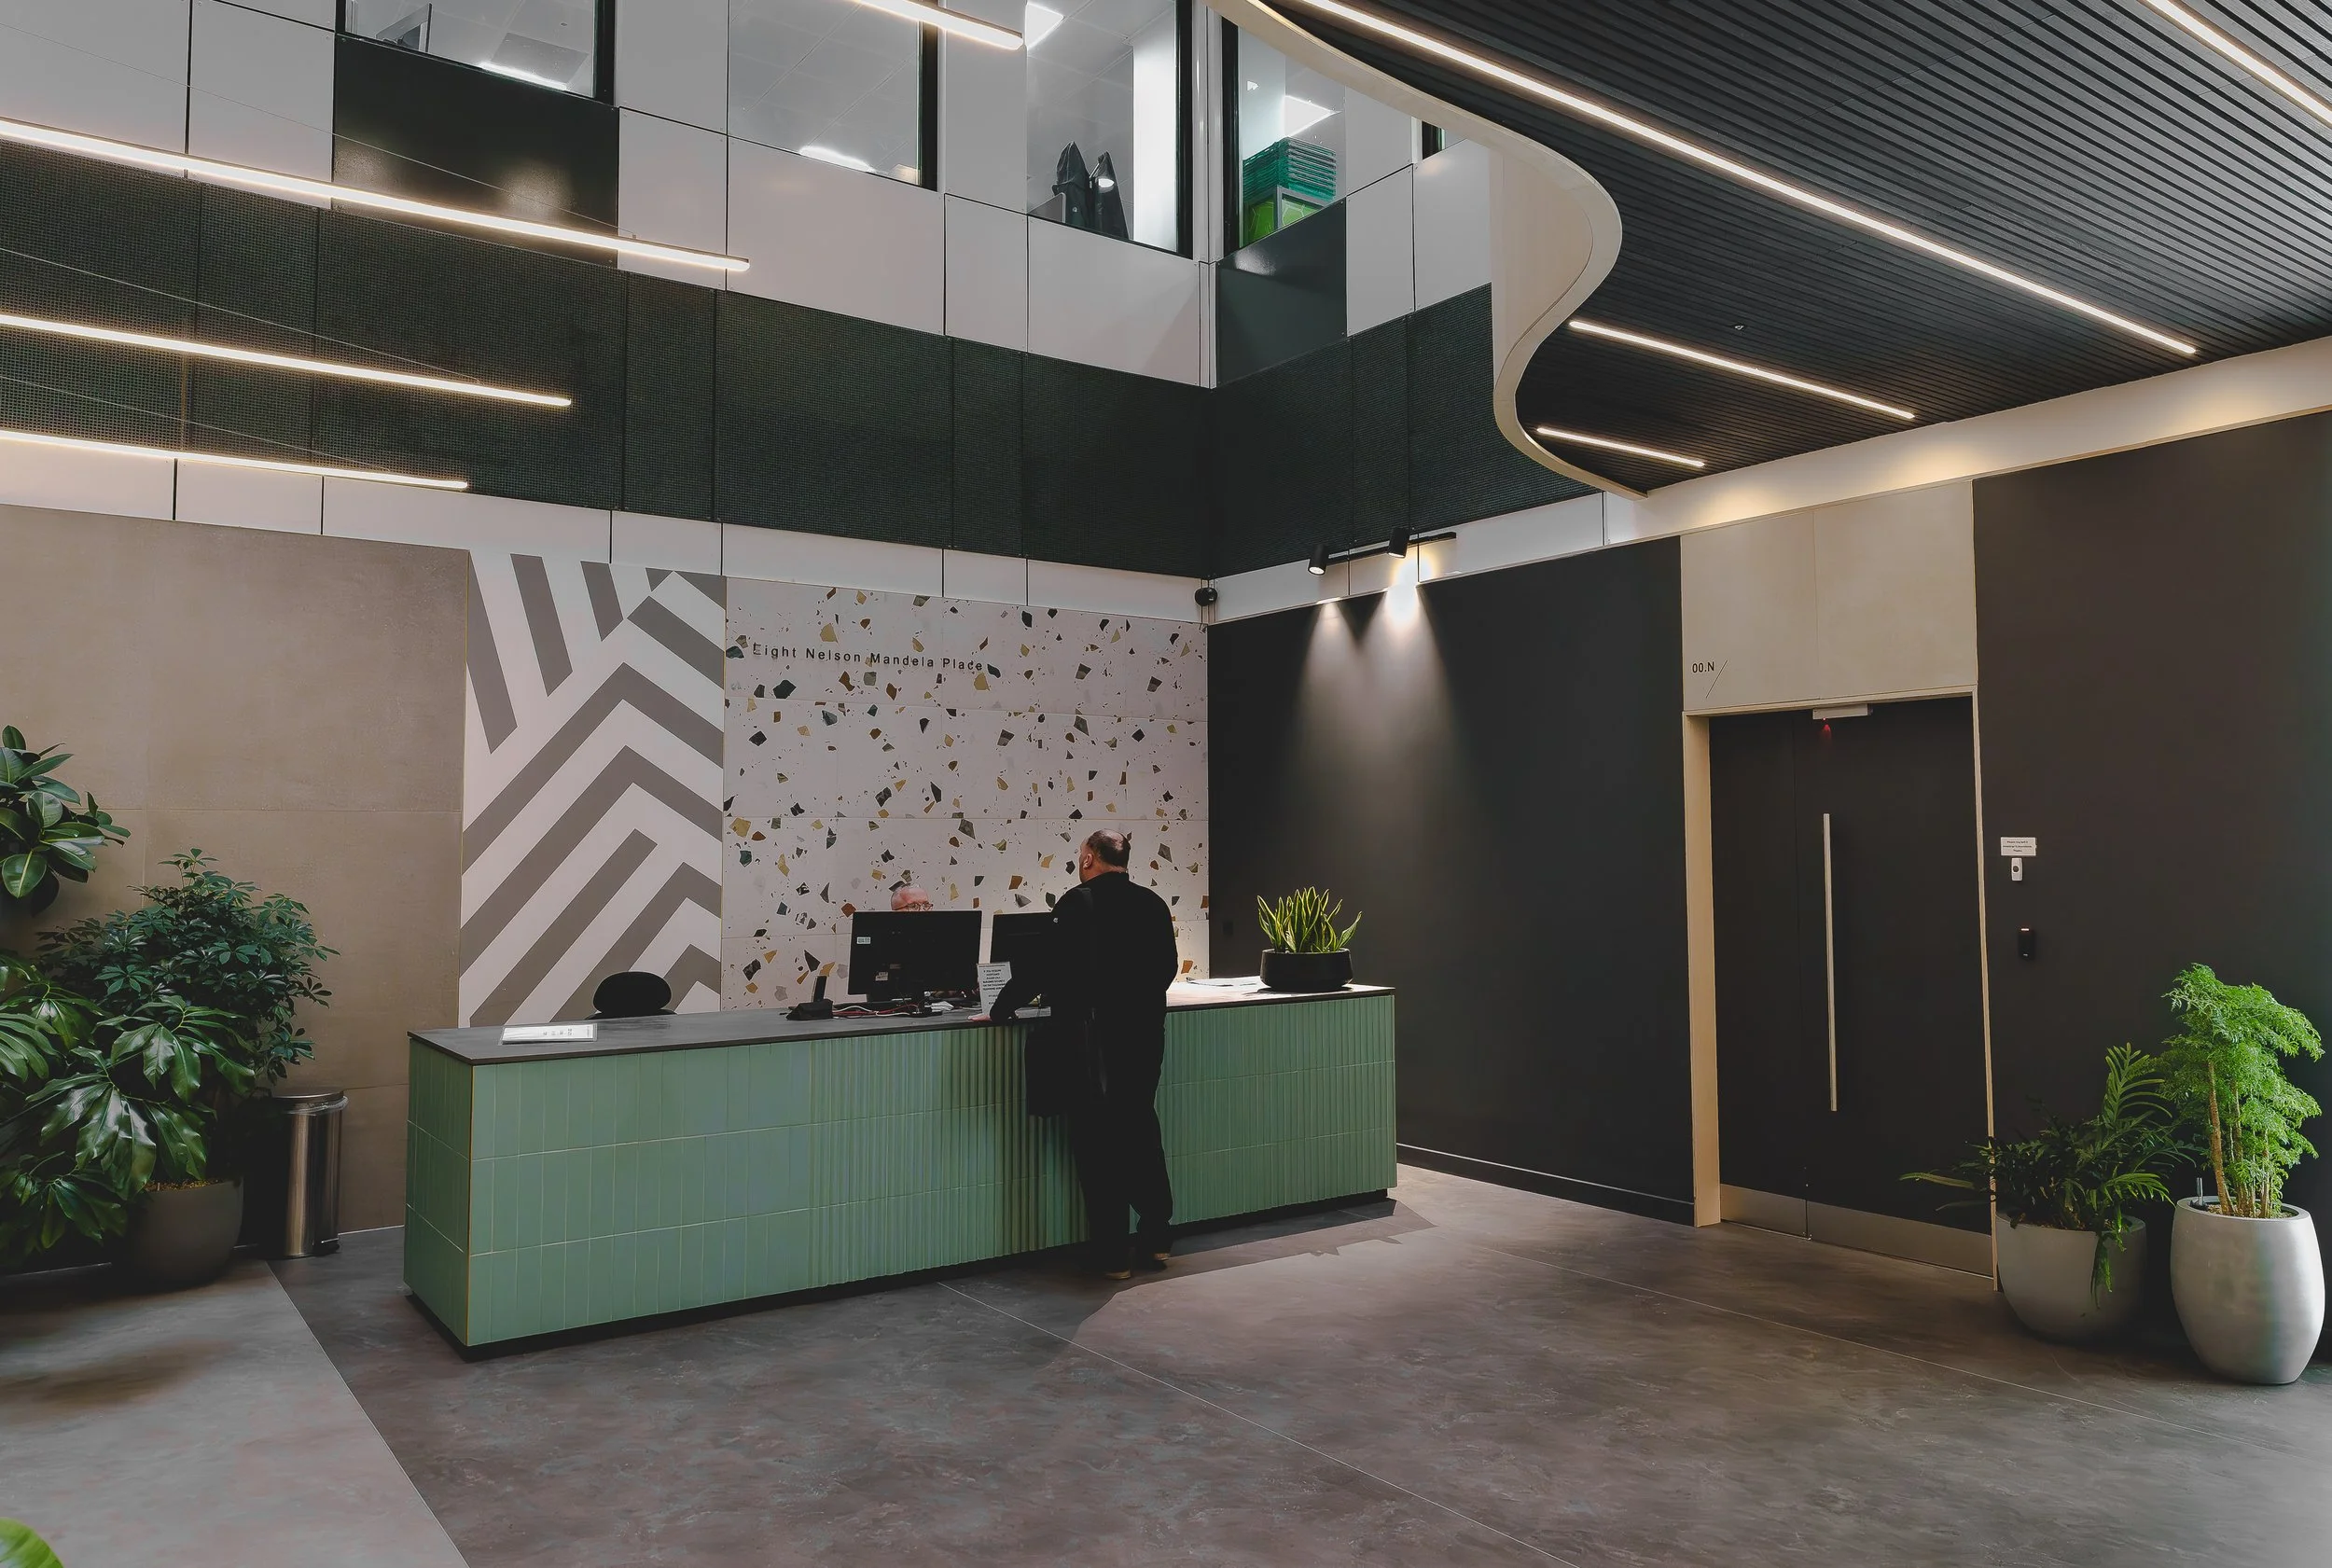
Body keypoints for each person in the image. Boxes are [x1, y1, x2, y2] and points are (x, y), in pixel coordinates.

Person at [992, 829, 1179, 1279]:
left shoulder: (1077, 903)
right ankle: (1156, 1240)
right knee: (1140, 1131)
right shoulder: (1153, 904)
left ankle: (1113, 1255)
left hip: (1092, 1045)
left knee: (1098, 1145)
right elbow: (1167, 969)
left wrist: (1001, 1010)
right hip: (1145, 1040)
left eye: (1082, 856)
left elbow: (1038, 967)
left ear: (1089, 857)